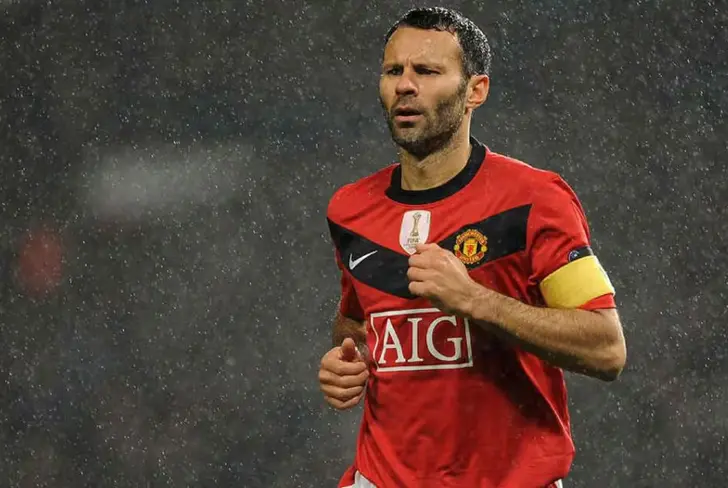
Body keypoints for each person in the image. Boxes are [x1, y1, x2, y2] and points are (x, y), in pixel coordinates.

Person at [319, 7, 627, 488]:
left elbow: (606, 347)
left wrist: (473, 300)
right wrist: (349, 359)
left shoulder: (535, 199)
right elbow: (358, 321)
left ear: (475, 91)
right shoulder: (350, 209)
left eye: (427, 71)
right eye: (393, 70)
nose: (405, 85)